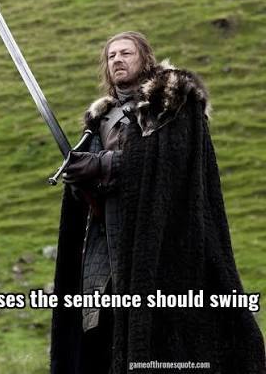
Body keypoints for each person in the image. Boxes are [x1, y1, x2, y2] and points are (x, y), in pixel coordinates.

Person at [50, 32, 265, 374]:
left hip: (163, 237)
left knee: (163, 328)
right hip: (108, 241)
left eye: (126, 53)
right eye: (111, 56)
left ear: (145, 58)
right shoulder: (101, 119)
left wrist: (103, 164)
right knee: (101, 327)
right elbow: (93, 189)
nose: (117, 60)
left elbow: (168, 163)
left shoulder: (171, 104)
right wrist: (80, 180)